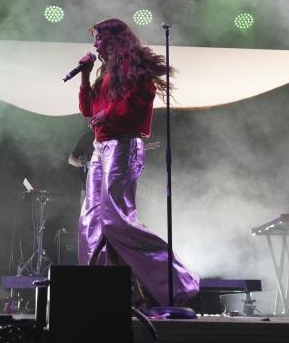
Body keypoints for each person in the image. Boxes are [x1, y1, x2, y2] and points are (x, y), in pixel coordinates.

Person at [75, 18, 199, 306]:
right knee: (91, 220)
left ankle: (180, 283)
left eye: (99, 38)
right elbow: (88, 110)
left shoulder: (132, 63)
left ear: (115, 39)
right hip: (100, 148)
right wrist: (84, 75)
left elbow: (141, 98)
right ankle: (101, 292)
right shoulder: (106, 71)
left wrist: (109, 114)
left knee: (116, 221)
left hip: (123, 144)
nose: (95, 44)